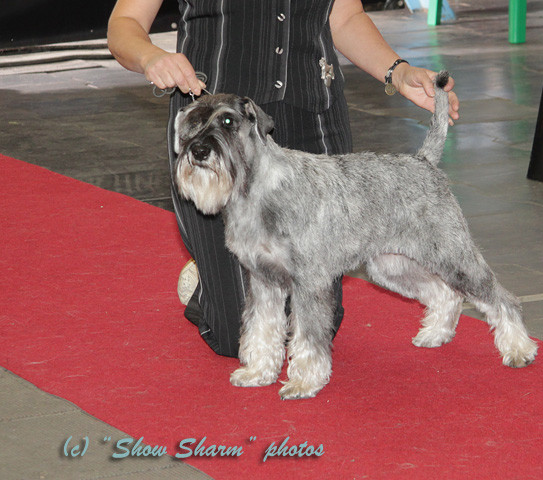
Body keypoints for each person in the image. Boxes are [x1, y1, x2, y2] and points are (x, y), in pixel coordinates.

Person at [107, 0, 460, 358]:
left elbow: (346, 16)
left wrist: (397, 71)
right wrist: (151, 57)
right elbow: (125, 22)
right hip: (218, 127)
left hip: (312, 114)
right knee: (235, 337)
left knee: (313, 315)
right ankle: (208, 278)